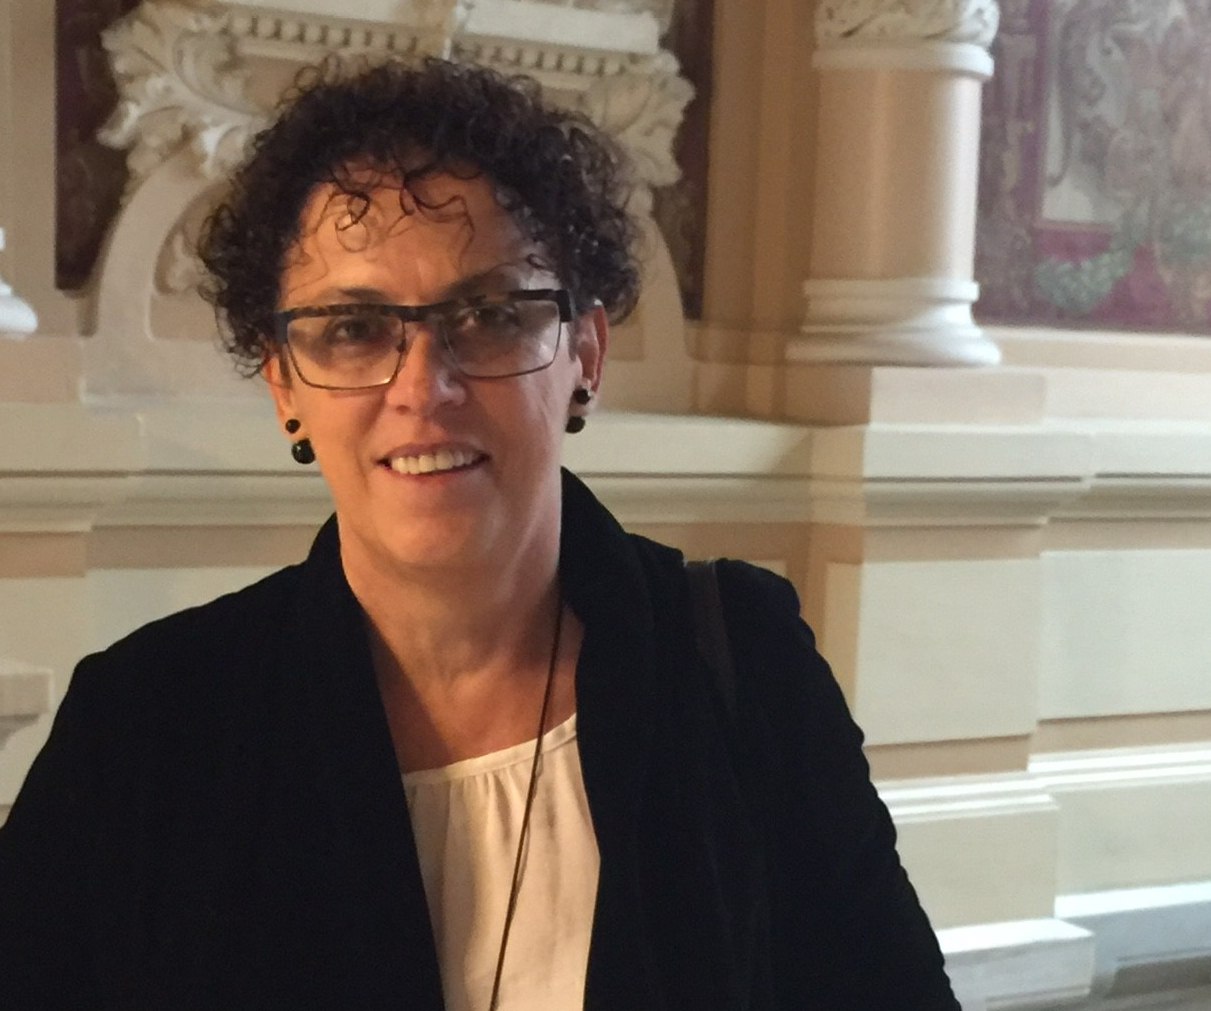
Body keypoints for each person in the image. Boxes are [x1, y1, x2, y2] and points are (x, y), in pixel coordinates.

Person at [0, 58, 959, 1010]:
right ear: (284, 382)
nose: (424, 387)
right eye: (353, 328)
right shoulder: (146, 724)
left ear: (584, 355)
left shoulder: (742, 665)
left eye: (491, 315)